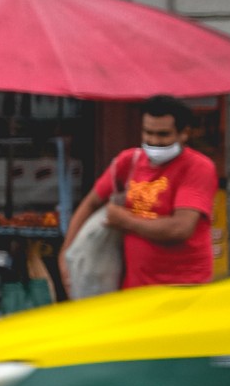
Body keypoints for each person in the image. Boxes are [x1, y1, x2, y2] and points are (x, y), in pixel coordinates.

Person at [63, 95, 217, 292]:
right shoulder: (128, 162)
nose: (153, 141)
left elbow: (180, 228)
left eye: (163, 135)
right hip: (133, 289)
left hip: (183, 288)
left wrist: (126, 221)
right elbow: (90, 203)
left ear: (184, 133)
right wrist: (67, 254)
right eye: (148, 133)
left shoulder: (197, 168)